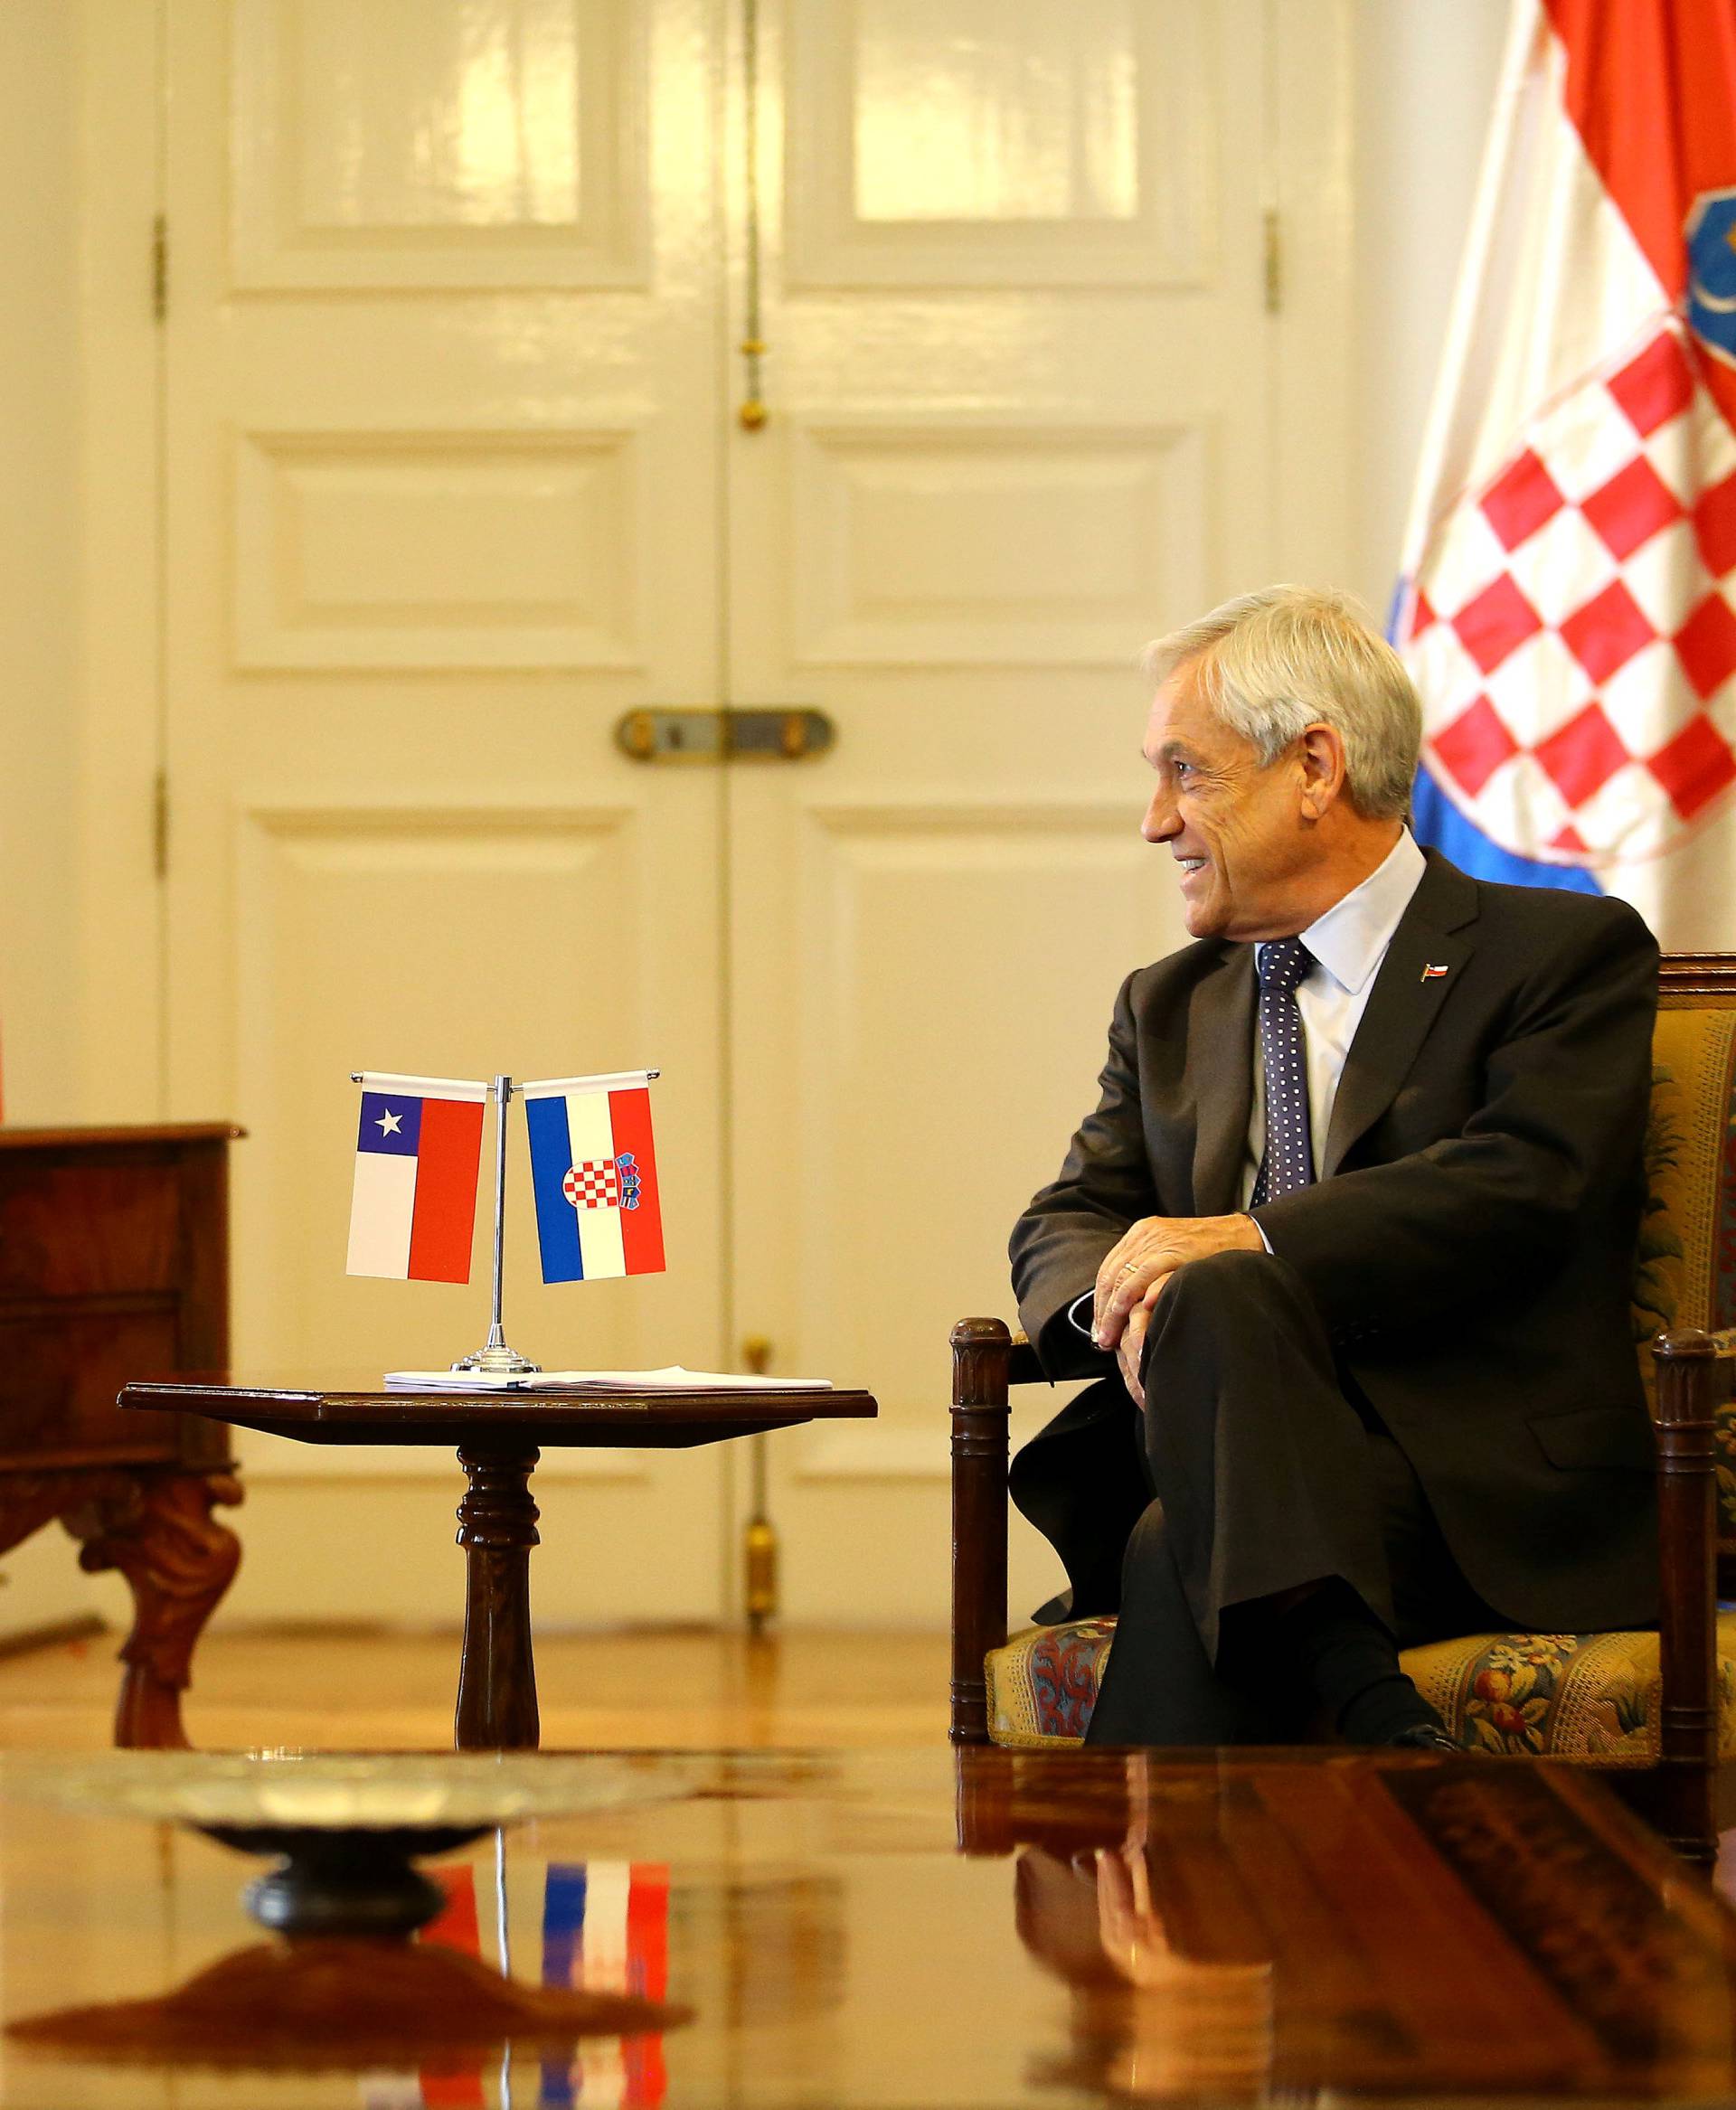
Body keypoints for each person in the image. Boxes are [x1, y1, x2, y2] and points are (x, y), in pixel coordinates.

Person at [1009, 585, 1659, 1750]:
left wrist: (1248, 1246)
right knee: (1201, 1310)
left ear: (1313, 766)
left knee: (1178, 1538)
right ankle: (1374, 1744)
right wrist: (1126, 1308)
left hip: (1478, 1487)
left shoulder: (1559, 952)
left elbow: (1525, 1181)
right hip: (1219, 1447)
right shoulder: (1169, 1006)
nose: (1156, 822)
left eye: (1186, 773)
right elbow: (1072, 1215)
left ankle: (1159, 1892)